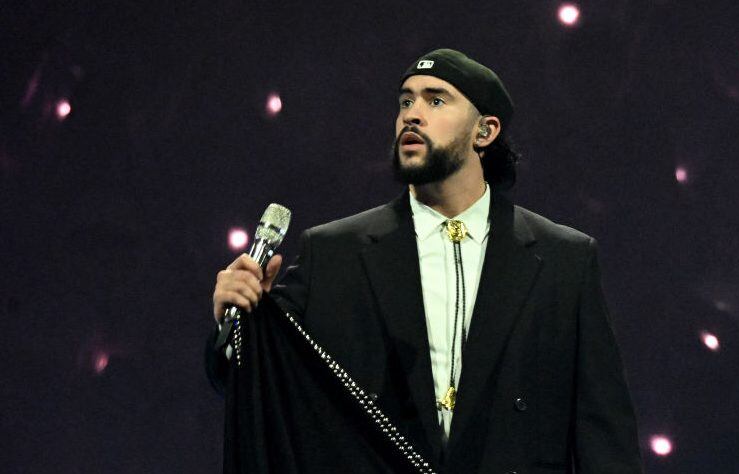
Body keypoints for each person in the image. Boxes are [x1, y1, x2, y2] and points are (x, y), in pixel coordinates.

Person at [207, 48, 644, 473]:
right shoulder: (334, 252)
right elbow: (257, 383)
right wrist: (236, 319)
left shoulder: (564, 259)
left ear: (485, 131)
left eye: (436, 100)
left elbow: (604, 434)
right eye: (405, 102)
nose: (411, 115)